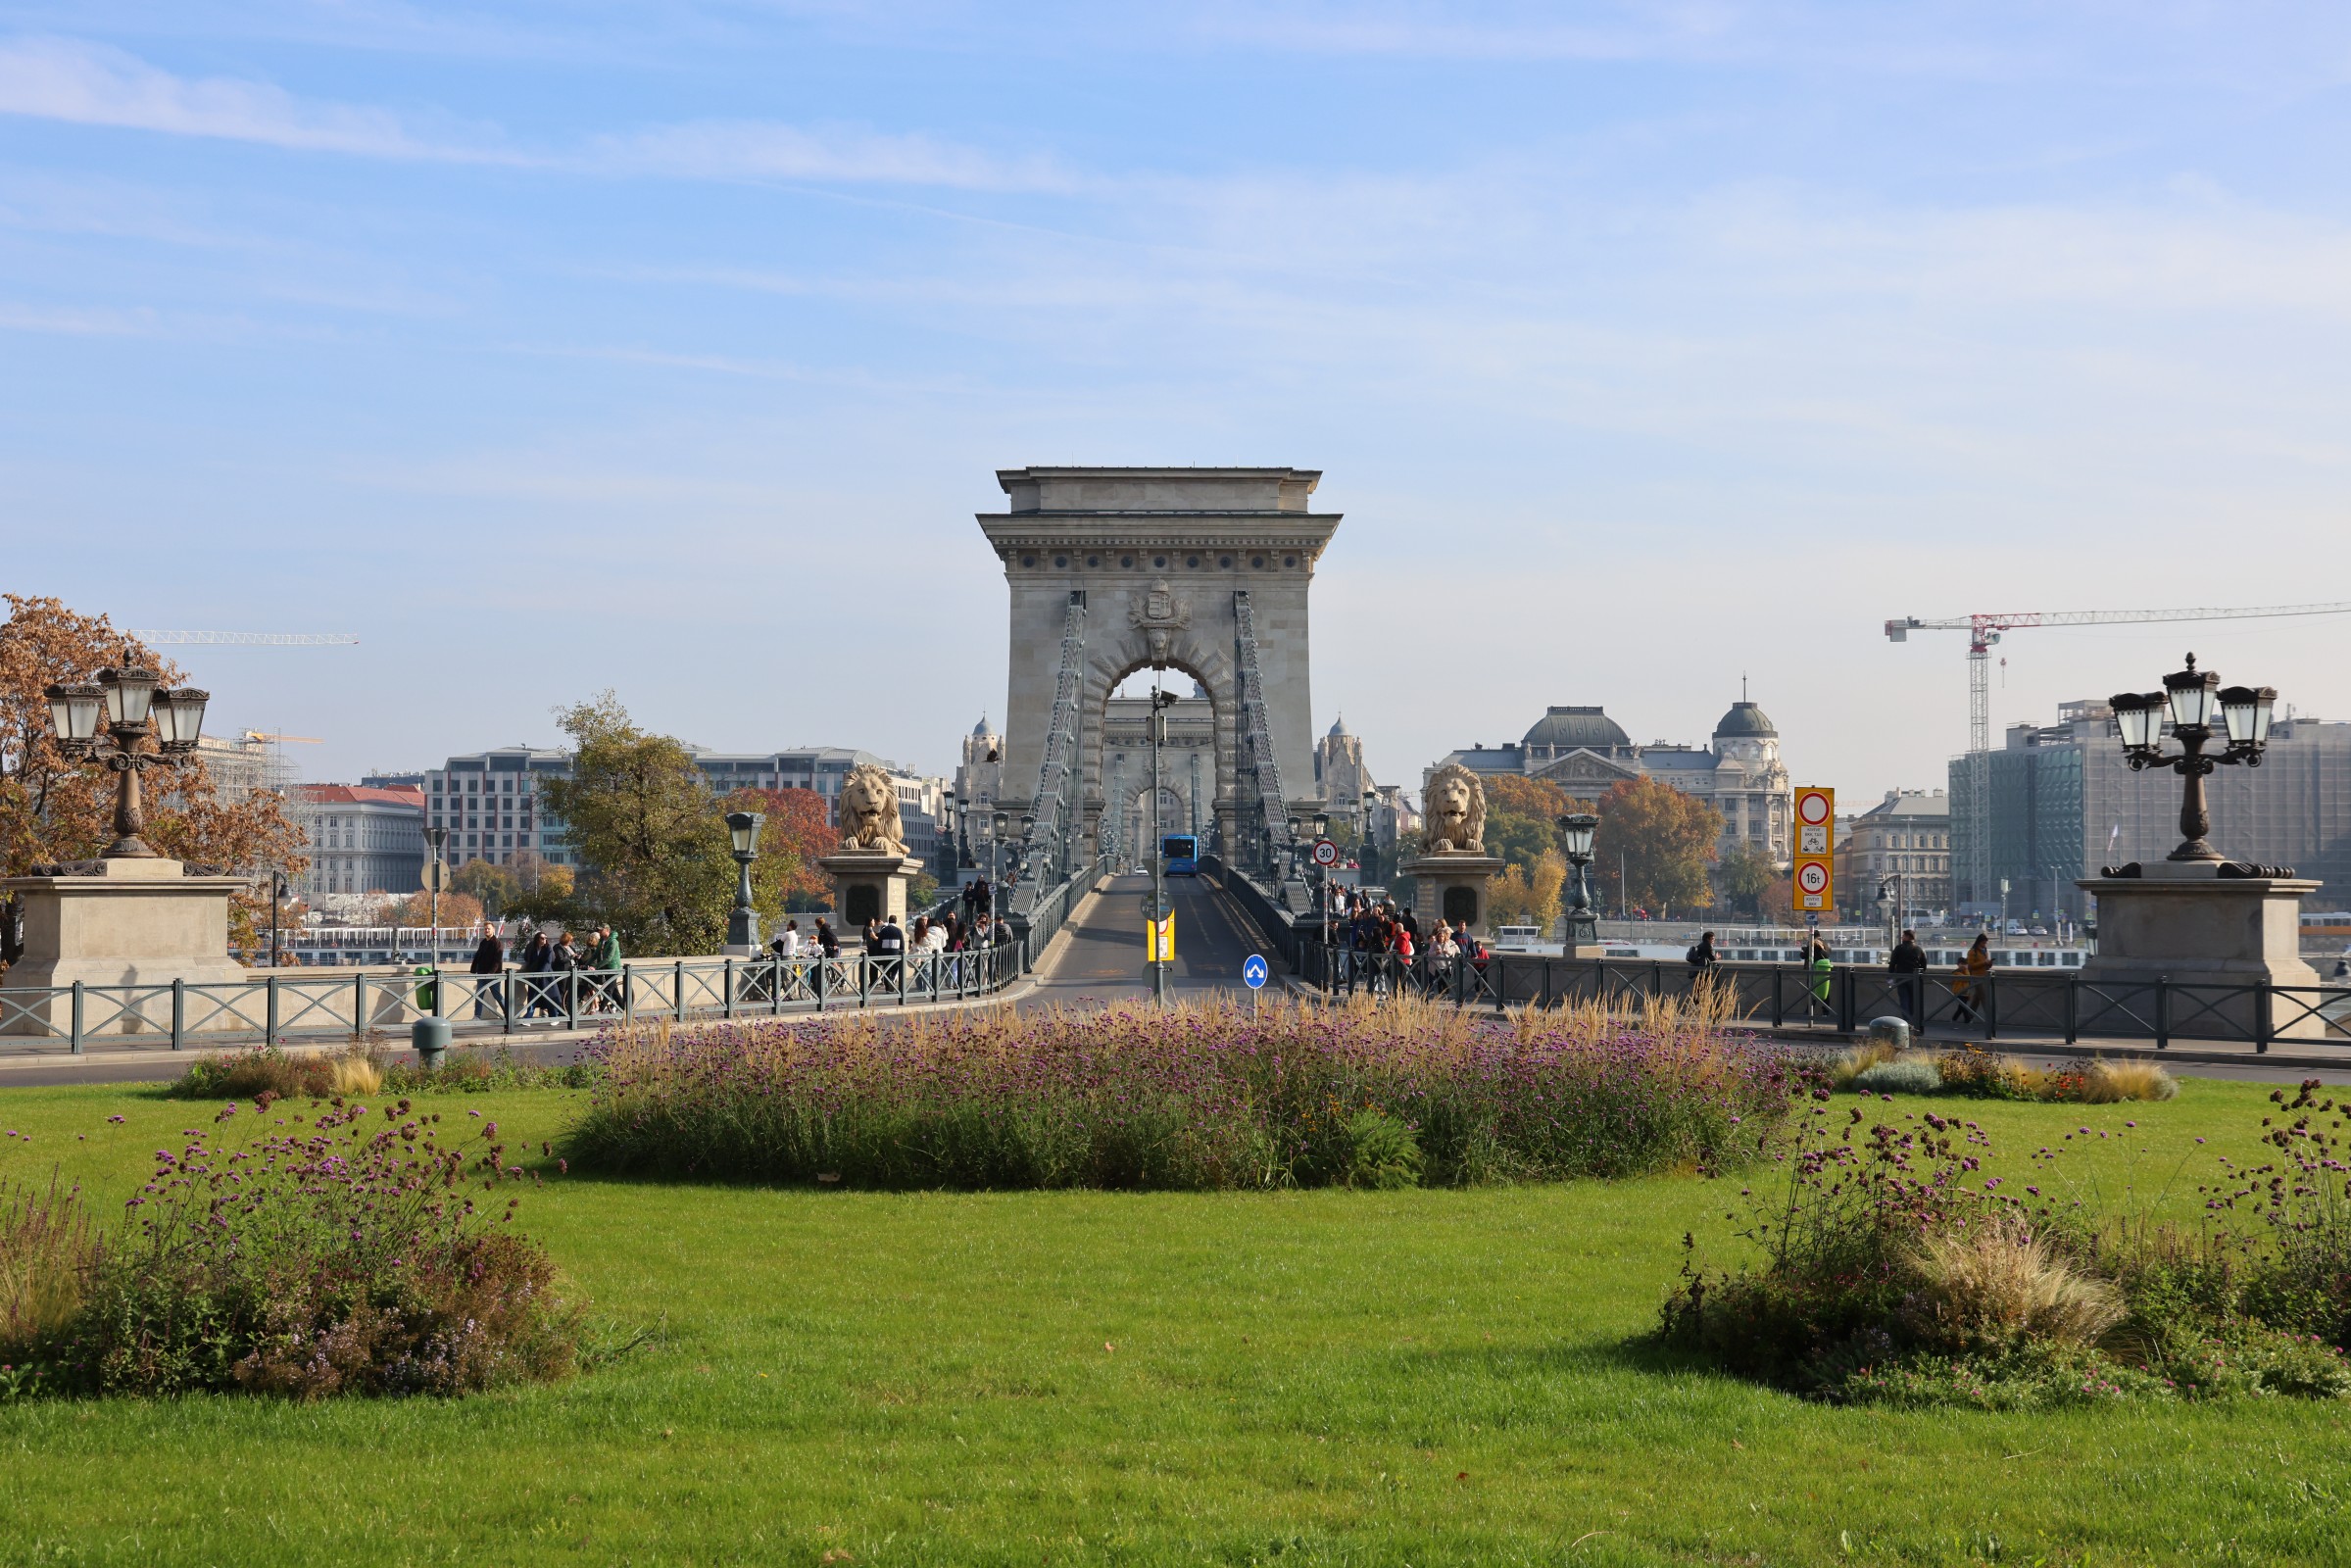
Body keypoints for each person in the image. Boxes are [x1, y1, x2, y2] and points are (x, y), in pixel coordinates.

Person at [1888, 927, 1929, 1031]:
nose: (1902, 937)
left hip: (1901, 977)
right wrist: (1920, 974)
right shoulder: (1919, 949)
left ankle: (1907, 1022)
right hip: (1915, 978)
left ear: (1907, 937)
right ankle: (1916, 1022)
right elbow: (1924, 965)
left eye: (1903, 935)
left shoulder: (1899, 948)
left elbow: (1892, 963)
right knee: (1915, 1001)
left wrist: (1890, 977)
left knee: (1904, 1000)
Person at [1952, 932, 1993, 1026]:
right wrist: (1983, 962)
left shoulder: (1985, 951)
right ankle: (1990, 1020)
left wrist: (1989, 964)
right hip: (1976, 977)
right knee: (1984, 998)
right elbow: (1970, 967)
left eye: (1985, 943)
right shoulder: (1972, 952)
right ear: (1979, 942)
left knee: (1976, 999)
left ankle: (1969, 1018)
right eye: (1983, 943)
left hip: (1984, 977)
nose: (1984, 945)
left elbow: (1985, 965)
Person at [467, 923, 507, 1021]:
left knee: (497, 995)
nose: (486, 931)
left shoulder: (497, 943)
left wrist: (491, 973)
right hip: (481, 973)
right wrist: (473, 970)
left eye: (488, 929)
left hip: (493, 975)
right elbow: (478, 956)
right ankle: (477, 1016)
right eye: (485, 929)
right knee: (479, 994)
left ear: (493, 930)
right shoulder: (483, 942)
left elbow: (497, 960)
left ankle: (508, 1013)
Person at [519, 928, 556, 1018]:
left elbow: (549, 961)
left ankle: (554, 1016)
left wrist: (541, 973)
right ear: (537, 939)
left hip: (545, 976)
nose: (544, 940)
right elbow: (527, 958)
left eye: (545, 938)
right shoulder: (532, 947)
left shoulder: (548, 948)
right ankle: (529, 1016)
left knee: (549, 996)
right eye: (542, 938)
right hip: (534, 975)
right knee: (532, 995)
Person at [590, 922, 624, 1012]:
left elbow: (609, 958)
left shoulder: (614, 942)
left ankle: (601, 1010)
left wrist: (596, 967)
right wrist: (587, 964)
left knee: (608, 990)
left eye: (601, 930)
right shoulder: (601, 941)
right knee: (615, 992)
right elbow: (596, 954)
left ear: (607, 930)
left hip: (613, 968)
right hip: (605, 968)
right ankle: (625, 1010)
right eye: (599, 930)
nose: (599, 931)